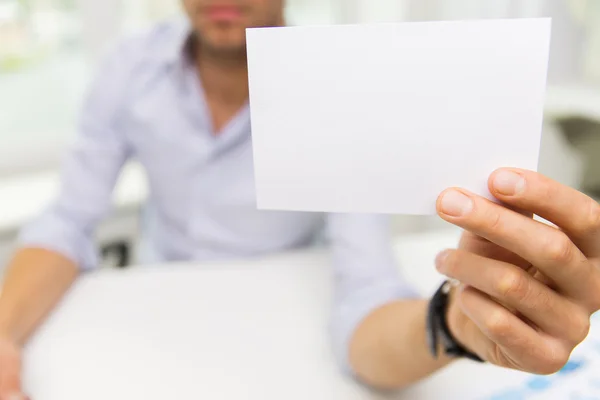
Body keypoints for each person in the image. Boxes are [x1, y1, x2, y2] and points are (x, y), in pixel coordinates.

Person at [1, 0, 599, 398]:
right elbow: (68, 220)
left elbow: (366, 286)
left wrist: (457, 324)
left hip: (281, 313)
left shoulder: (337, 83)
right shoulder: (129, 67)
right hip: (161, 308)